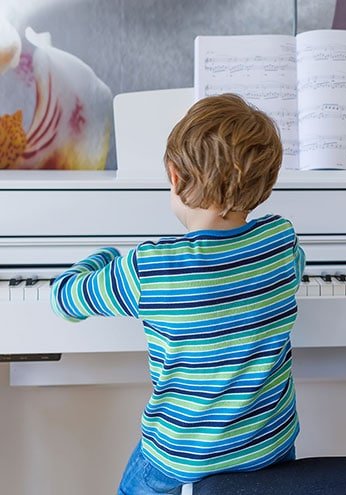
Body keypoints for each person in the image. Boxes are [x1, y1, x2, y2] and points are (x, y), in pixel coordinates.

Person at [51, 93, 304, 494]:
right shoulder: (279, 238)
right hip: (269, 444)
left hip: (183, 454)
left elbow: (65, 299)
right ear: (266, 184)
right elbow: (295, 269)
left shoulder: (150, 267)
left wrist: (104, 256)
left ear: (175, 176)